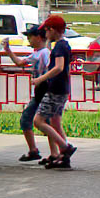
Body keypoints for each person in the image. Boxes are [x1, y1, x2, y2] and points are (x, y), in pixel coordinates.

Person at [30, 16, 77, 169]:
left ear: (52, 30)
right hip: (62, 89)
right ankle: (64, 158)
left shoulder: (59, 47)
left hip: (55, 90)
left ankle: (64, 147)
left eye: (46, 30)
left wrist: (40, 79)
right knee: (55, 122)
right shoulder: (64, 45)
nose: (45, 33)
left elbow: (58, 67)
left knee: (38, 121)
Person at [2, 25, 50, 161]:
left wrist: (41, 79)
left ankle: (59, 151)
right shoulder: (36, 53)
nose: (29, 40)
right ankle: (34, 150)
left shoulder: (45, 53)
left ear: (39, 38)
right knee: (28, 120)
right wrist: (8, 51)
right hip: (39, 93)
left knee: (47, 123)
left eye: (30, 37)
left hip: (45, 92)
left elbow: (50, 70)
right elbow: (20, 63)